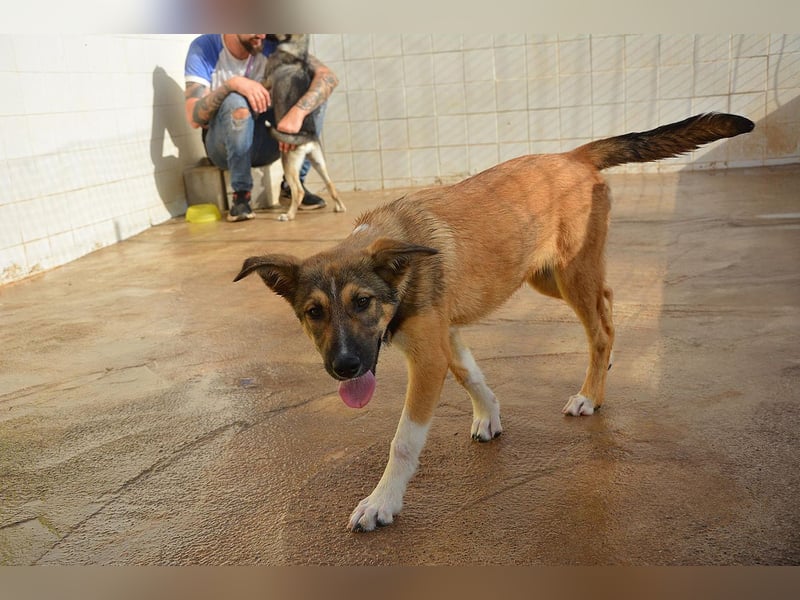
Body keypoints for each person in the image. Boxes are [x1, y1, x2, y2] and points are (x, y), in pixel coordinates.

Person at [184, 34, 339, 222]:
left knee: (313, 94)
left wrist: (297, 113)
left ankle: (292, 187)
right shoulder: (205, 48)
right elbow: (193, 117)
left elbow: (328, 77)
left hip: (267, 141)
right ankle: (241, 196)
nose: (262, 34)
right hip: (223, 147)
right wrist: (233, 84)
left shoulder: (270, 45)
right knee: (235, 100)